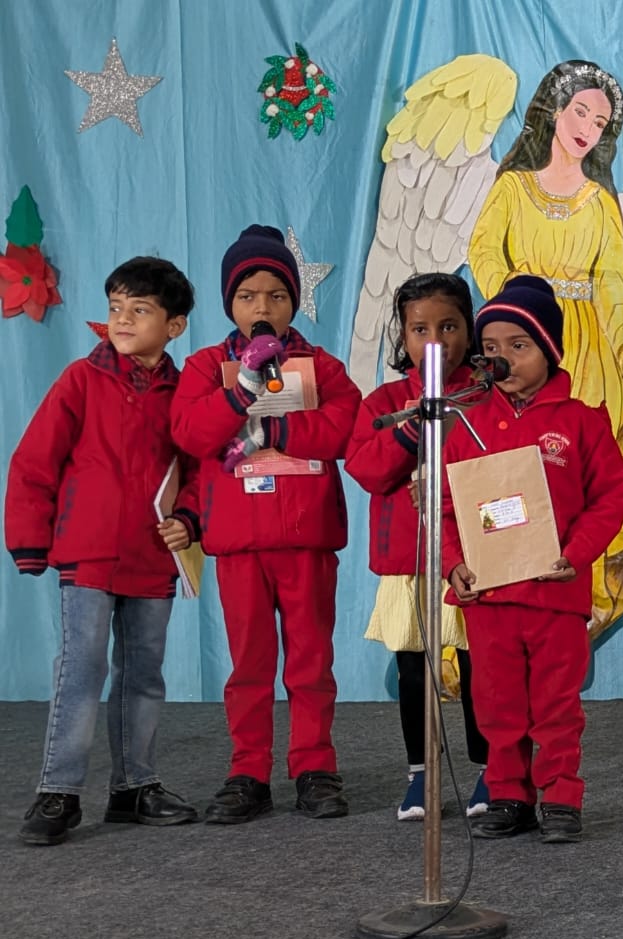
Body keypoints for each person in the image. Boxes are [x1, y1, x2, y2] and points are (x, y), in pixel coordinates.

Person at [170, 225, 362, 824]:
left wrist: (277, 429)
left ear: (293, 303)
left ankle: (314, 767)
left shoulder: (319, 365)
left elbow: (347, 427)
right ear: (230, 303)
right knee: (249, 666)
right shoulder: (207, 366)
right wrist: (240, 394)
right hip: (240, 543)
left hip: (307, 541)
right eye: (248, 295)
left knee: (311, 664)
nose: (263, 307)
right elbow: (190, 432)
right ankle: (248, 772)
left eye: (277, 295)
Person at [5, 257, 200, 845]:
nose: (123, 320)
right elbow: (34, 460)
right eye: (116, 308)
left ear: (175, 326)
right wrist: (29, 540)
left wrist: (189, 519)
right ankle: (58, 792)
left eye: (140, 310)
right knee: (81, 670)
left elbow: (199, 470)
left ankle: (134, 787)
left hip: (152, 558)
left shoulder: (187, 393)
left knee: (143, 675)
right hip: (87, 554)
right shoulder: (80, 380)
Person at [467, 59, 623, 637]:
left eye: (600, 123)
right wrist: (516, 312)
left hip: (588, 351)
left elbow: (613, 284)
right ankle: (511, 587)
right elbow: (485, 253)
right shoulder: (512, 189)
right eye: (581, 112)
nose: (587, 128)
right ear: (555, 111)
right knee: (520, 466)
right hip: (525, 340)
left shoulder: (600, 203)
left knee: (580, 468)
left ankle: (579, 592)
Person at [441, 276, 623, 843]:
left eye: (518, 346)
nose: (503, 358)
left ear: (549, 350)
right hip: (491, 597)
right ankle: (508, 794)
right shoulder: (466, 424)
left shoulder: (581, 422)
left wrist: (577, 553)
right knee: (496, 702)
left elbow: (610, 497)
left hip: (553, 593)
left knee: (555, 703)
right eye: (491, 348)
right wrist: (454, 564)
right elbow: (446, 507)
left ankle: (561, 796)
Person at [345, 272, 491, 820]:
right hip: (409, 561)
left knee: (481, 666)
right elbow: (366, 468)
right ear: (402, 336)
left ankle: (492, 769)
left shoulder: (484, 397)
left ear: (469, 331)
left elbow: (498, 467)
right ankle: (421, 774)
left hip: (472, 557)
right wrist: (413, 429)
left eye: (449, 327)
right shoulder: (385, 402)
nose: (436, 341)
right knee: (414, 670)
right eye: (420, 329)